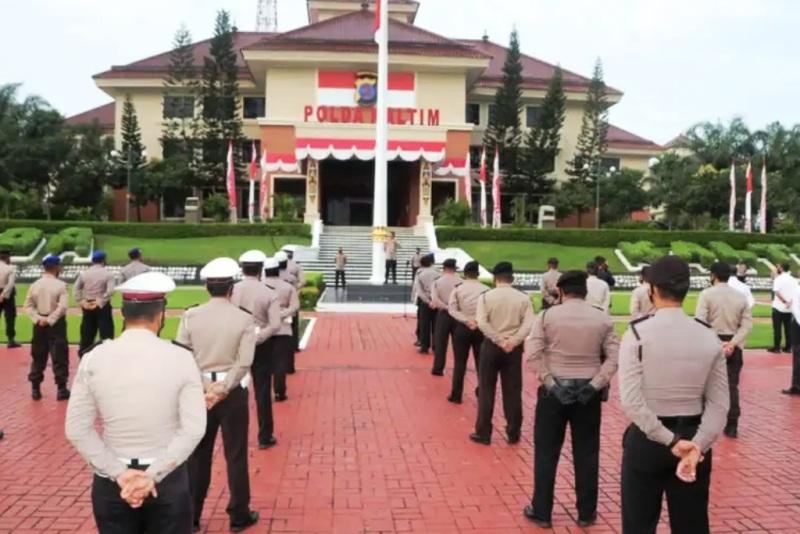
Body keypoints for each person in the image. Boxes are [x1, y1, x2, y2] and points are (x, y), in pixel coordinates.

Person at [65, 271, 206, 534]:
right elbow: (193, 428)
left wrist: (121, 474)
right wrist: (150, 476)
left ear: (122, 314)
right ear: (161, 315)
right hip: (167, 479)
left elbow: (77, 429)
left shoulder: (94, 358)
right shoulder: (181, 358)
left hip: (112, 481)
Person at [618, 255, 729, 534]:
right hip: (693, 438)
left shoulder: (637, 333)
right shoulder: (707, 335)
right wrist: (696, 446)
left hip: (648, 439)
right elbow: (719, 405)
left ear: (652, 290)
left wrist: (670, 441)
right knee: (691, 524)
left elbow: (632, 401)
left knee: (639, 525)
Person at [524, 271, 619, 529]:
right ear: (585, 292)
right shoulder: (602, 319)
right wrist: (595, 384)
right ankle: (586, 512)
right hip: (588, 392)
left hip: (554, 391)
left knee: (546, 453)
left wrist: (550, 383)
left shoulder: (546, 316)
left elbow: (533, 355)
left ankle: (542, 510)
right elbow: (613, 357)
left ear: (562, 292)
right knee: (587, 453)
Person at [177, 257, 260, 533]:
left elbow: (183, 355)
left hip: (199, 392)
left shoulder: (190, 315)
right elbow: (244, 361)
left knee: (198, 456)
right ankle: (239, 513)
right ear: (231, 288)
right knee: (235, 454)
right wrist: (223, 388)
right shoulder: (244, 318)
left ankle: (192, 516)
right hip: (232, 391)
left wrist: (205, 387)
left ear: (206, 287)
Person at [470, 262, 534, 445]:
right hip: (513, 349)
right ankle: (513, 431)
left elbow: (482, 323)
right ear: (511, 278)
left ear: (494, 278)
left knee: (486, 389)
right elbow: (529, 324)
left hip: (491, 346)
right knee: (513, 391)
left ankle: (483, 432)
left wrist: (498, 340)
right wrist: (513, 341)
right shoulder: (523, 298)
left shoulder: (486, 297)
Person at [695, 262, 753, 439]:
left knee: (706, 385)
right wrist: (732, 343)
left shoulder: (706, 294)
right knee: (731, 386)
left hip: (712, 343)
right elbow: (747, 324)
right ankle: (732, 424)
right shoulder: (740, 296)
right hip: (733, 345)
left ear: (713, 275)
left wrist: (718, 342)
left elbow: (700, 321)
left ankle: (705, 422)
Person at [232, 251, 282, 449]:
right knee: (262, 390)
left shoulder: (232, 290)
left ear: (242, 269)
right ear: (261, 269)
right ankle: (264, 436)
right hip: (261, 343)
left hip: (236, 343)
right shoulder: (268, 292)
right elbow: (275, 324)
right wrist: (259, 336)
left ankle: (235, 435)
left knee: (234, 388)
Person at [24, 255, 70, 401]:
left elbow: (28, 306)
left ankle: (35, 388)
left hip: (39, 323)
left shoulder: (35, 285)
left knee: (38, 355)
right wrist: (50, 320)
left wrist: (39, 319)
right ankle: (61, 389)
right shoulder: (61, 285)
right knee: (60, 355)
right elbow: (62, 307)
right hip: (55, 324)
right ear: (56, 267)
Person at [447, 261, 488, 403]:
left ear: (465, 274)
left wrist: (466, 321)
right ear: (478, 273)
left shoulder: (458, 289)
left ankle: (456, 394)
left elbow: (452, 309)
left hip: (462, 328)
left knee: (460, 363)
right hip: (480, 328)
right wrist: (476, 321)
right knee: (481, 363)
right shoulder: (486, 289)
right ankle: (482, 391)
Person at [265, 255, 300, 402]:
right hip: (282, 327)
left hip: (263, 328)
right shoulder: (287, 286)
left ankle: (263, 392)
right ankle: (280, 391)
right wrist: (281, 314)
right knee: (280, 362)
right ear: (278, 270)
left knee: (263, 363)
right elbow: (295, 306)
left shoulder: (260, 286)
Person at [74, 251, 115, 355]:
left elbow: (76, 289)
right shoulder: (108, 274)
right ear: (103, 260)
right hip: (102, 306)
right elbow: (110, 291)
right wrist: (100, 301)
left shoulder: (85, 273)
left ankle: (83, 357)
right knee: (106, 335)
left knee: (87, 334)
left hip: (88, 305)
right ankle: (106, 357)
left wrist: (82, 301)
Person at [431, 259, 460, 377]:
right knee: (458, 344)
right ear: (455, 268)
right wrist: (453, 309)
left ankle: (438, 367)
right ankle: (458, 367)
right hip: (458, 315)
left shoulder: (437, 282)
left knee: (440, 342)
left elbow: (435, 300)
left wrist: (446, 307)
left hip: (443, 314)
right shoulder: (461, 281)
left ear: (444, 268)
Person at [276, 251, 301, 366]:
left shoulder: (265, 279)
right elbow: (297, 286)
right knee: (290, 334)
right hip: (288, 310)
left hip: (270, 311)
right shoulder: (291, 278)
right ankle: (290, 365)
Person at [413, 254, 439, 354]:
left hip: (425, 302)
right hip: (436, 301)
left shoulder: (420, 274)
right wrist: (435, 301)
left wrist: (428, 301)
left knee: (424, 325)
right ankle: (436, 346)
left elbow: (419, 291)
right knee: (436, 325)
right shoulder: (438, 273)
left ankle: (424, 346)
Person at [769, 262, 796, 353]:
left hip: (778, 307)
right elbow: (796, 293)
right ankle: (788, 347)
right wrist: (790, 302)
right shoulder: (793, 279)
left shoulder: (778, 279)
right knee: (788, 329)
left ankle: (777, 347)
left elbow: (776, 292)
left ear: (781, 269)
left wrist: (784, 301)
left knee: (777, 328)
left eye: (778, 267)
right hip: (789, 308)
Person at [0, 250, 20, 349]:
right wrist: (3, 294)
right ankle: (10, 340)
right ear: (7, 258)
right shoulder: (10, 268)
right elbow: (11, 283)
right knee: (10, 317)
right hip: (7, 294)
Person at [783, 280, 800, 396]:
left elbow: (795, 307)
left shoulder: (797, 288)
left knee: (797, 354)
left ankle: (796, 385)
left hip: (798, 325)